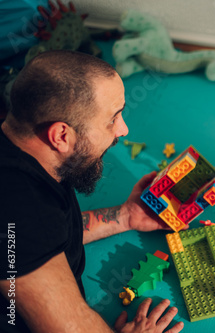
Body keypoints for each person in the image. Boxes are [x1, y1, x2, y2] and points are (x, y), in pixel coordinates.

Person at [0, 50, 184, 333]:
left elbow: (53, 234)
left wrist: (126, 216)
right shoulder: (22, 212)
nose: (122, 130)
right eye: (113, 118)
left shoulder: (28, 154)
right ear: (62, 135)